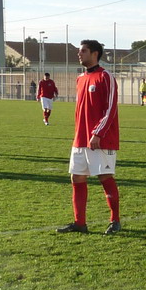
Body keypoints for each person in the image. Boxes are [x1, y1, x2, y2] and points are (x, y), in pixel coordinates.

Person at [57, 40, 121, 236]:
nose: (79, 54)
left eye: (83, 51)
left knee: (104, 176)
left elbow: (111, 109)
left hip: (99, 139)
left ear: (95, 53)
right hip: (80, 138)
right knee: (76, 177)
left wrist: (98, 133)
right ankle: (79, 223)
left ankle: (115, 220)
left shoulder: (105, 76)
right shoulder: (80, 79)